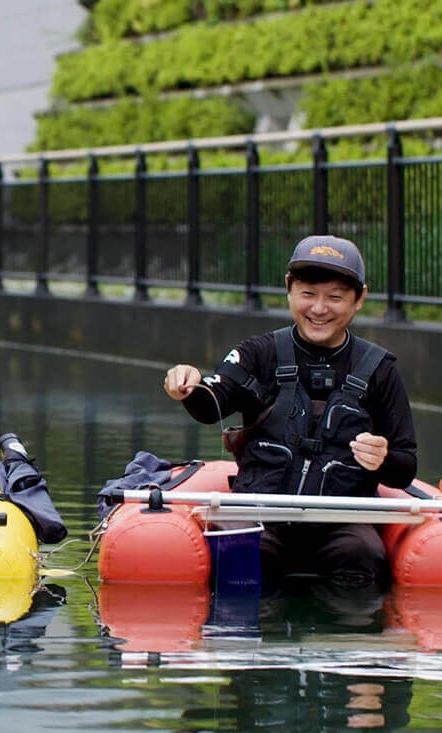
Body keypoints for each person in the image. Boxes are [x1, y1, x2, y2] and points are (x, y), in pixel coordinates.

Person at [163, 234, 418, 620]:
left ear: (359, 299)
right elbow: (211, 403)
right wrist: (188, 387)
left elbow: (406, 465)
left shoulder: (381, 371)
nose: (319, 309)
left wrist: (382, 458)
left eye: (335, 297)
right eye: (307, 294)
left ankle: (346, 643)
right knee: (246, 552)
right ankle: (248, 649)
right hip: (261, 512)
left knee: (361, 555)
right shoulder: (257, 353)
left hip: (340, 522)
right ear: (288, 289)